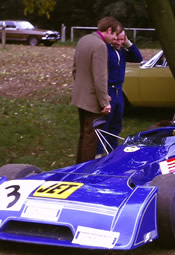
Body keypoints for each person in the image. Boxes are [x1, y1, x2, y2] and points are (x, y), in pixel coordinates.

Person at [72, 16, 121, 163]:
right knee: (91, 138)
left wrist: (83, 89)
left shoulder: (83, 40)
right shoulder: (100, 46)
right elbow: (100, 78)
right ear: (109, 30)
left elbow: (75, 70)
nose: (114, 39)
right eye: (114, 35)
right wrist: (105, 102)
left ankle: (77, 168)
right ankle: (85, 171)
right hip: (93, 101)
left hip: (80, 97)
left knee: (84, 134)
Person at [97, 29, 143, 155]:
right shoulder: (106, 50)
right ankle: (98, 154)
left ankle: (112, 153)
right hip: (109, 90)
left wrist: (128, 43)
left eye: (122, 39)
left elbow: (138, 57)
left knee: (116, 124)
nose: (119, 42)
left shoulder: (122, 52)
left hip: (119, 91)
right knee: (104, 124)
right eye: (117, 39)